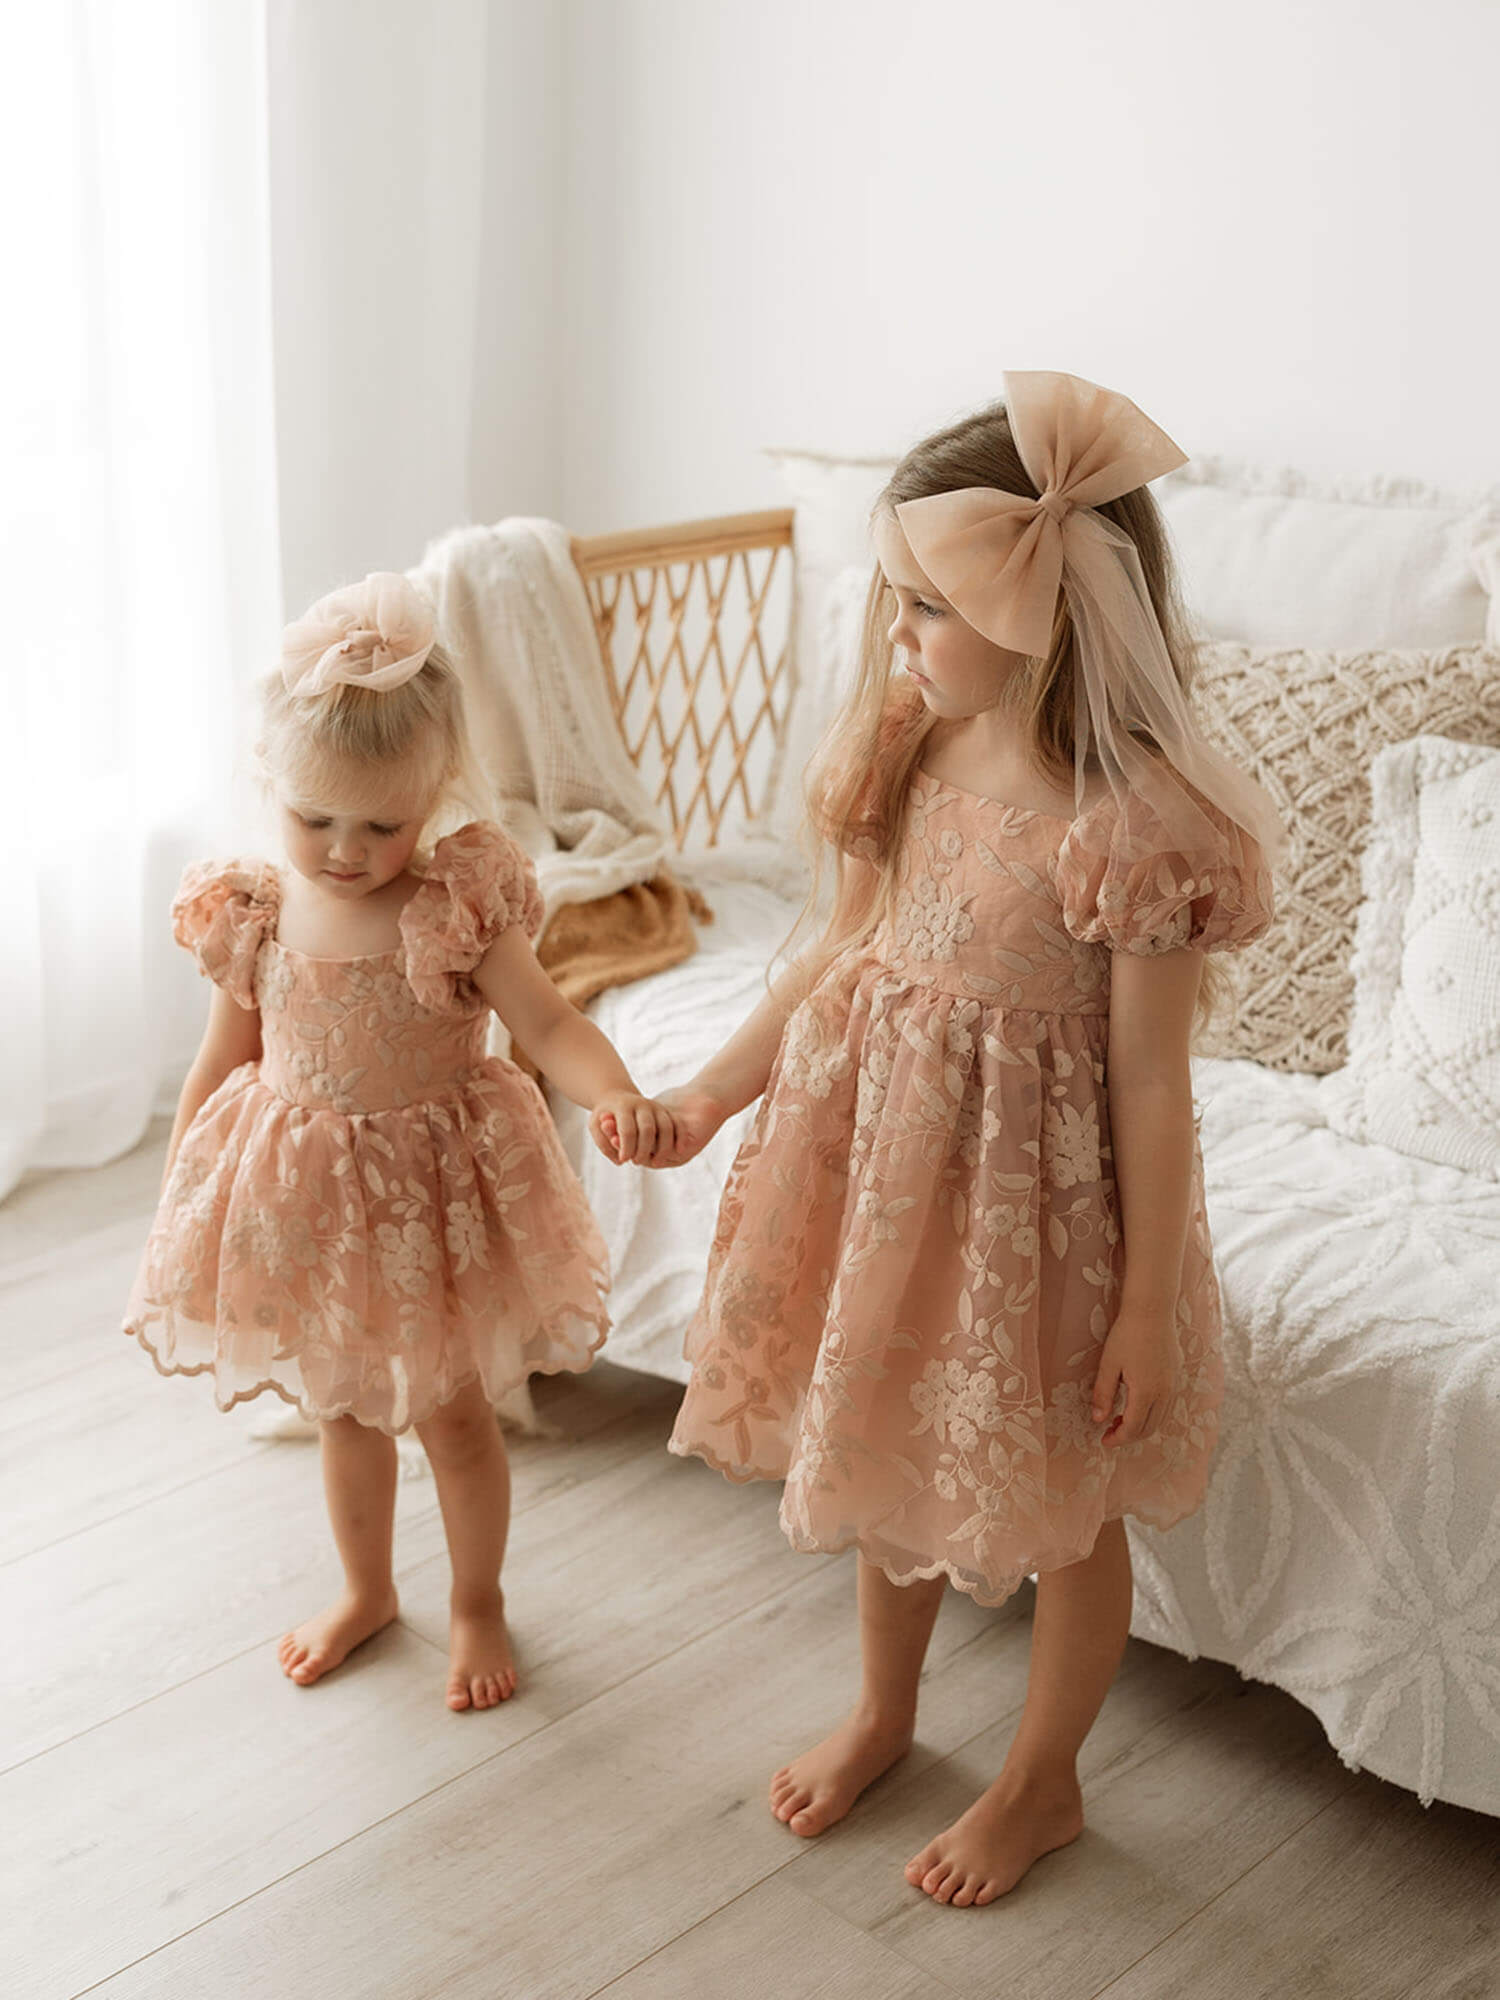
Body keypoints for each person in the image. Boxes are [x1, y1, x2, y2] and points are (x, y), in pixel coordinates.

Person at [654, 373, 1284, 1905]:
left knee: (1064, 1515)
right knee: (888, 1444)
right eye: (895, 604)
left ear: (1050, 619)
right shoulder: (913, 743)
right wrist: (710, 1095)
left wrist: (1140, 1301)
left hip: (1045, 1222)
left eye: (925, 609)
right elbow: (834, 953)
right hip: (895, 1188)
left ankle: (1043, 1778)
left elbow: (1151, 1084)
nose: (898, 639)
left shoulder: (1135, 825)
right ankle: (885, 1710)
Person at [126, 572, 674, 1709]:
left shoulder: (453, 905)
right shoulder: (258, 908)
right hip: (308, 1198)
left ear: (435, 799)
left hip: (434, 1201)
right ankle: (366, 1587)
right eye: (314, 818)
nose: (344, 849)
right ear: (272, 787)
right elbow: (223, 1058)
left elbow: (551, 1022)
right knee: (341, 1407)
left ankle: (479, 1600)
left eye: (382, 823)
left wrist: (614, 1086)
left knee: (454, 1414)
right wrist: (187, 1184)